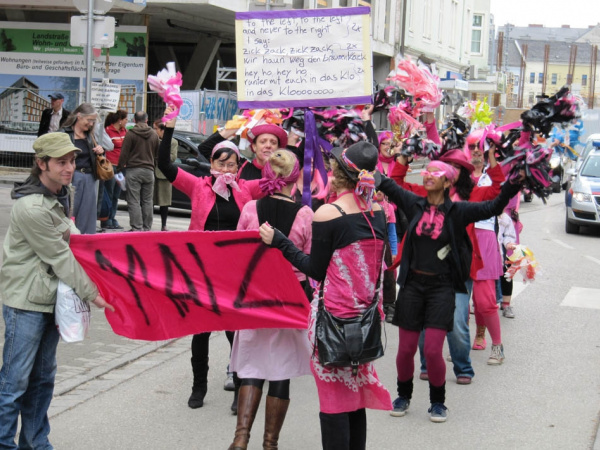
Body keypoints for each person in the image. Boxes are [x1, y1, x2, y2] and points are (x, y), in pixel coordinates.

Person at [259, 141, 392, 450]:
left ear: (337, 174)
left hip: (331, 322)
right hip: (365, 321)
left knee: (334, 403)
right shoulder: (378, 211)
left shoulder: (328, 213)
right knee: (356, 399)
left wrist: (280, 241)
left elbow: (314, 270)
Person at [377, 159, 521, 423]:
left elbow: (494, 206)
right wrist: (362, 166)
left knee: (432, 350)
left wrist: (511, 185)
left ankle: (438, 402)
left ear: (448, 182)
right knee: (406, 349)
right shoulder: (414, 203)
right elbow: (386, 183)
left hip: (441, 288)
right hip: (412, 287)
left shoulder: (458, 212)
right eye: (427, 171)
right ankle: (403, 396)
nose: (429, 175)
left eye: (436, 173)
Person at [0, 133, 113, 449]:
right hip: (26, 303)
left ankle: (35, 442)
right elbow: (61, 256)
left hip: (49, 299)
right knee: (14, 382)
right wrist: (94, 293)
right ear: (41, 164)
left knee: (43, 380)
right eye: (61, 162)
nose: (69, 167)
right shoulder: (32, 207)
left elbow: (75, 238)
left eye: (73, 160)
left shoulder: (61, 194)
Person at [157, 106, 264, 412]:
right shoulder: (197, 186)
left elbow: (282, 177)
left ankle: (240, 390)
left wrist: (279, 141)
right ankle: (198, 387)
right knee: (201, 331)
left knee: (236, 334)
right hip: (200, 271)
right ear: (212, 162)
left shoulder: (247, 189)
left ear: (239, 165)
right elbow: (164, 164)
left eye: (232, 163)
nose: (227, 168)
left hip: (234, 272)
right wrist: (170, 125)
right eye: (221, 161)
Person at [391, 146, 504, 384]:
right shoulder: (425, 192)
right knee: (422, 322)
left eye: (453, 166)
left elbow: (497, 191)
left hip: (458, 269)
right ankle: (425, 364)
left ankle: (463, 367)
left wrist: (492, 160)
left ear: (461, 173)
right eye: (443, 165)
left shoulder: (473, 195)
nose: (445, 170)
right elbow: (396, 184)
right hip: (425, 270)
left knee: (458, 321)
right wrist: (403, 157)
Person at [228, 149, 313, 450]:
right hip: (290, 296)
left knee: (252, 365)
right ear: (294, 178)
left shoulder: (251, 208)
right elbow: (309, 262)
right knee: (281, 369)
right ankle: (270, 443)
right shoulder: (304, 214)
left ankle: (240, 438)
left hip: (254, 295)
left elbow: (237, 253)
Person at [61, 103, 105, 234]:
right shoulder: (64, 134)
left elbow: (97, 157)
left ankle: (86, 242)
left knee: (87, 214)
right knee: (69, 212)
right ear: (79, 116)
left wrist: (100, 151)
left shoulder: (90, 136)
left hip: (89, 178)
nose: (91, 124)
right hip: (71, 177)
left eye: (93, 121)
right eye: (89, 120)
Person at [118, 111, 159, 231]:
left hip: (133, 170)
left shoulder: (130, 134)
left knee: (133, 200)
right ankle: (147, 228)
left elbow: (124, 154)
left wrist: (120, 168)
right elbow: (157, 155)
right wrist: (153, 167)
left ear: (135, 120)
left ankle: (136, 227)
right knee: (147, 201)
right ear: (147, 120)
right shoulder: (154, 134)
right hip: (149, 171)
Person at [101, 110, 128, 230]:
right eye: (126, 119)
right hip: (111, 166)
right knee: (109, 192)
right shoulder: (108, 130)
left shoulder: (125, 131)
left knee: (117, 193)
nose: (127, 122)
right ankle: (106, 219)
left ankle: (112, 217)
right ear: (120, 120)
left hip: (122, 167)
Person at [152, 119, 178, 231]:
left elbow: (172, 157)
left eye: (155, 129)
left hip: (164, 175)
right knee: (149, 200)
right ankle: (147, 223)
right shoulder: (153, 140)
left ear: (162, 130)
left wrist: (160, 156)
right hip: (152, 173)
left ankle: (164, 224)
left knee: (165, 202)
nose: (154, 131)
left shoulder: (173, 142)